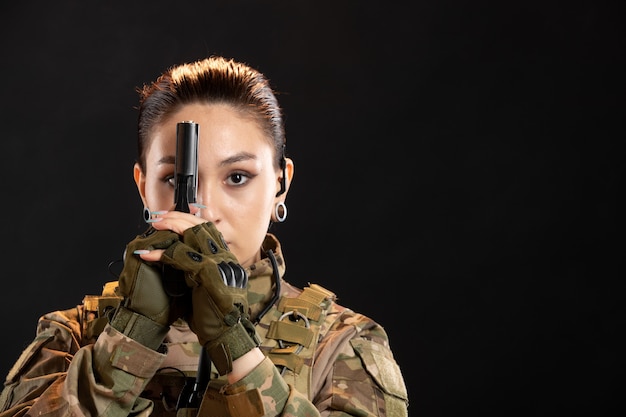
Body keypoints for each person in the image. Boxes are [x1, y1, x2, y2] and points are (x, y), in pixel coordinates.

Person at [0, 56, 408, 417]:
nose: (205, 212)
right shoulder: (72, 337)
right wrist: (129, 340)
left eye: (237, 177)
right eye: (175, 180)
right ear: (143, 186)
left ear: (280, 185)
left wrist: (237, 350)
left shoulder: (343, 345)